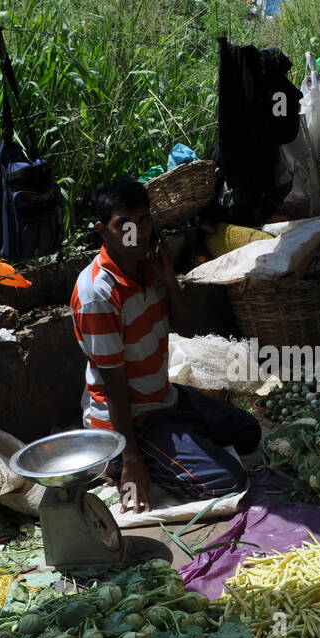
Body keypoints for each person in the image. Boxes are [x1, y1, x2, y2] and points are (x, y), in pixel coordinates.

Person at [71, 179, 260, 511]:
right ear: (103, 230)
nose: (138, 233)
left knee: (249, 432)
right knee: (229, 484)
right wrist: (131, 460)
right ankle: (125, 462)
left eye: (144, 220)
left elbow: (186, 330)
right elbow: (114, 384)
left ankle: (179, 441)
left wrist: (169, 279)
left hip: (164, 397)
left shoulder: (148, 269)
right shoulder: (97, 293)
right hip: (131, 420)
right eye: (124, 225)